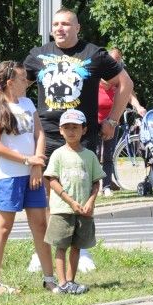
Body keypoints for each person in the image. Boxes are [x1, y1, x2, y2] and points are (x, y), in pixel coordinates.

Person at [23, 7, 132, 272]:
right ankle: (45, 250)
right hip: (46, 135)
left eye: (66, 24)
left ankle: (81, 250)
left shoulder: (93, 54)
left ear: (77, 28)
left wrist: (113, 119)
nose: (60, 28)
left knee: (81, 191)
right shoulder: (38, 55)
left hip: (82, 136)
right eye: (56, 24)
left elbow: (125, 84)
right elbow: (17, 85)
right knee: (48, 196)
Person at [0, 61, 57, 294]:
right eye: (23, 79)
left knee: (40, 224)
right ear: (10, 83)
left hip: (32, 174)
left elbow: (39, 134)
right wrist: (26, 160)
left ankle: (49, 278)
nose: (28, 82)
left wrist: (36, 164)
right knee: (4, 227)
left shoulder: (27, 104)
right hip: (7, 177)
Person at [43, 109, 104, 294]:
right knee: (61, 246)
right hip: (62, 209)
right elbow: (52, 180)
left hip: (83, 210)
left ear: (84, 130)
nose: (71, 131)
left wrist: (91, 202)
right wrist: (69, 201)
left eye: (75, 127)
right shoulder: (58, 154)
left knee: (77, 246)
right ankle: (61, 282)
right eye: (67, 127)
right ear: (60, 130)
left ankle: (71, 280)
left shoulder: (90, 156)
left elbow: (96, 182)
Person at [97, 48, 146, 197]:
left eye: (118, 59)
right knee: (94, 154)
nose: (115, 62)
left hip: (112, 122)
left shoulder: (119, 80)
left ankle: (106, 186)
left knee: (108, 154)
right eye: (113, 59)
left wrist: (138, 107)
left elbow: (130, 95)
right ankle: (94, 185)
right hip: (94, 121)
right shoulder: (95, 77)